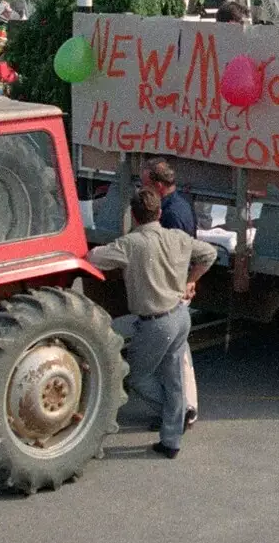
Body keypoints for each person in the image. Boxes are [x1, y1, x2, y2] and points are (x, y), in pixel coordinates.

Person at [87, 189, 216, 458]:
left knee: (138, 377)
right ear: (159, 213)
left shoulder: (131, 244)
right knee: (174, 377)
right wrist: (192, 279)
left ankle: (174, 412)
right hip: (181, 315)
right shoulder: (178, 237)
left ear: (133, 216)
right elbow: (209, 254)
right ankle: (171, 440)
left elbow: (94, 258)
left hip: (155, 322)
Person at [143, 158, 200, 426]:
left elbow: (176, 254)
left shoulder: (171, 215)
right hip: (176, 287)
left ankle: (183, 411)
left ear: (157, 184)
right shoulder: (180, 206)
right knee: (175, 355)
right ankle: (179, 410)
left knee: (175, 358)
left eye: (145, 184)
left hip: (172, 291)